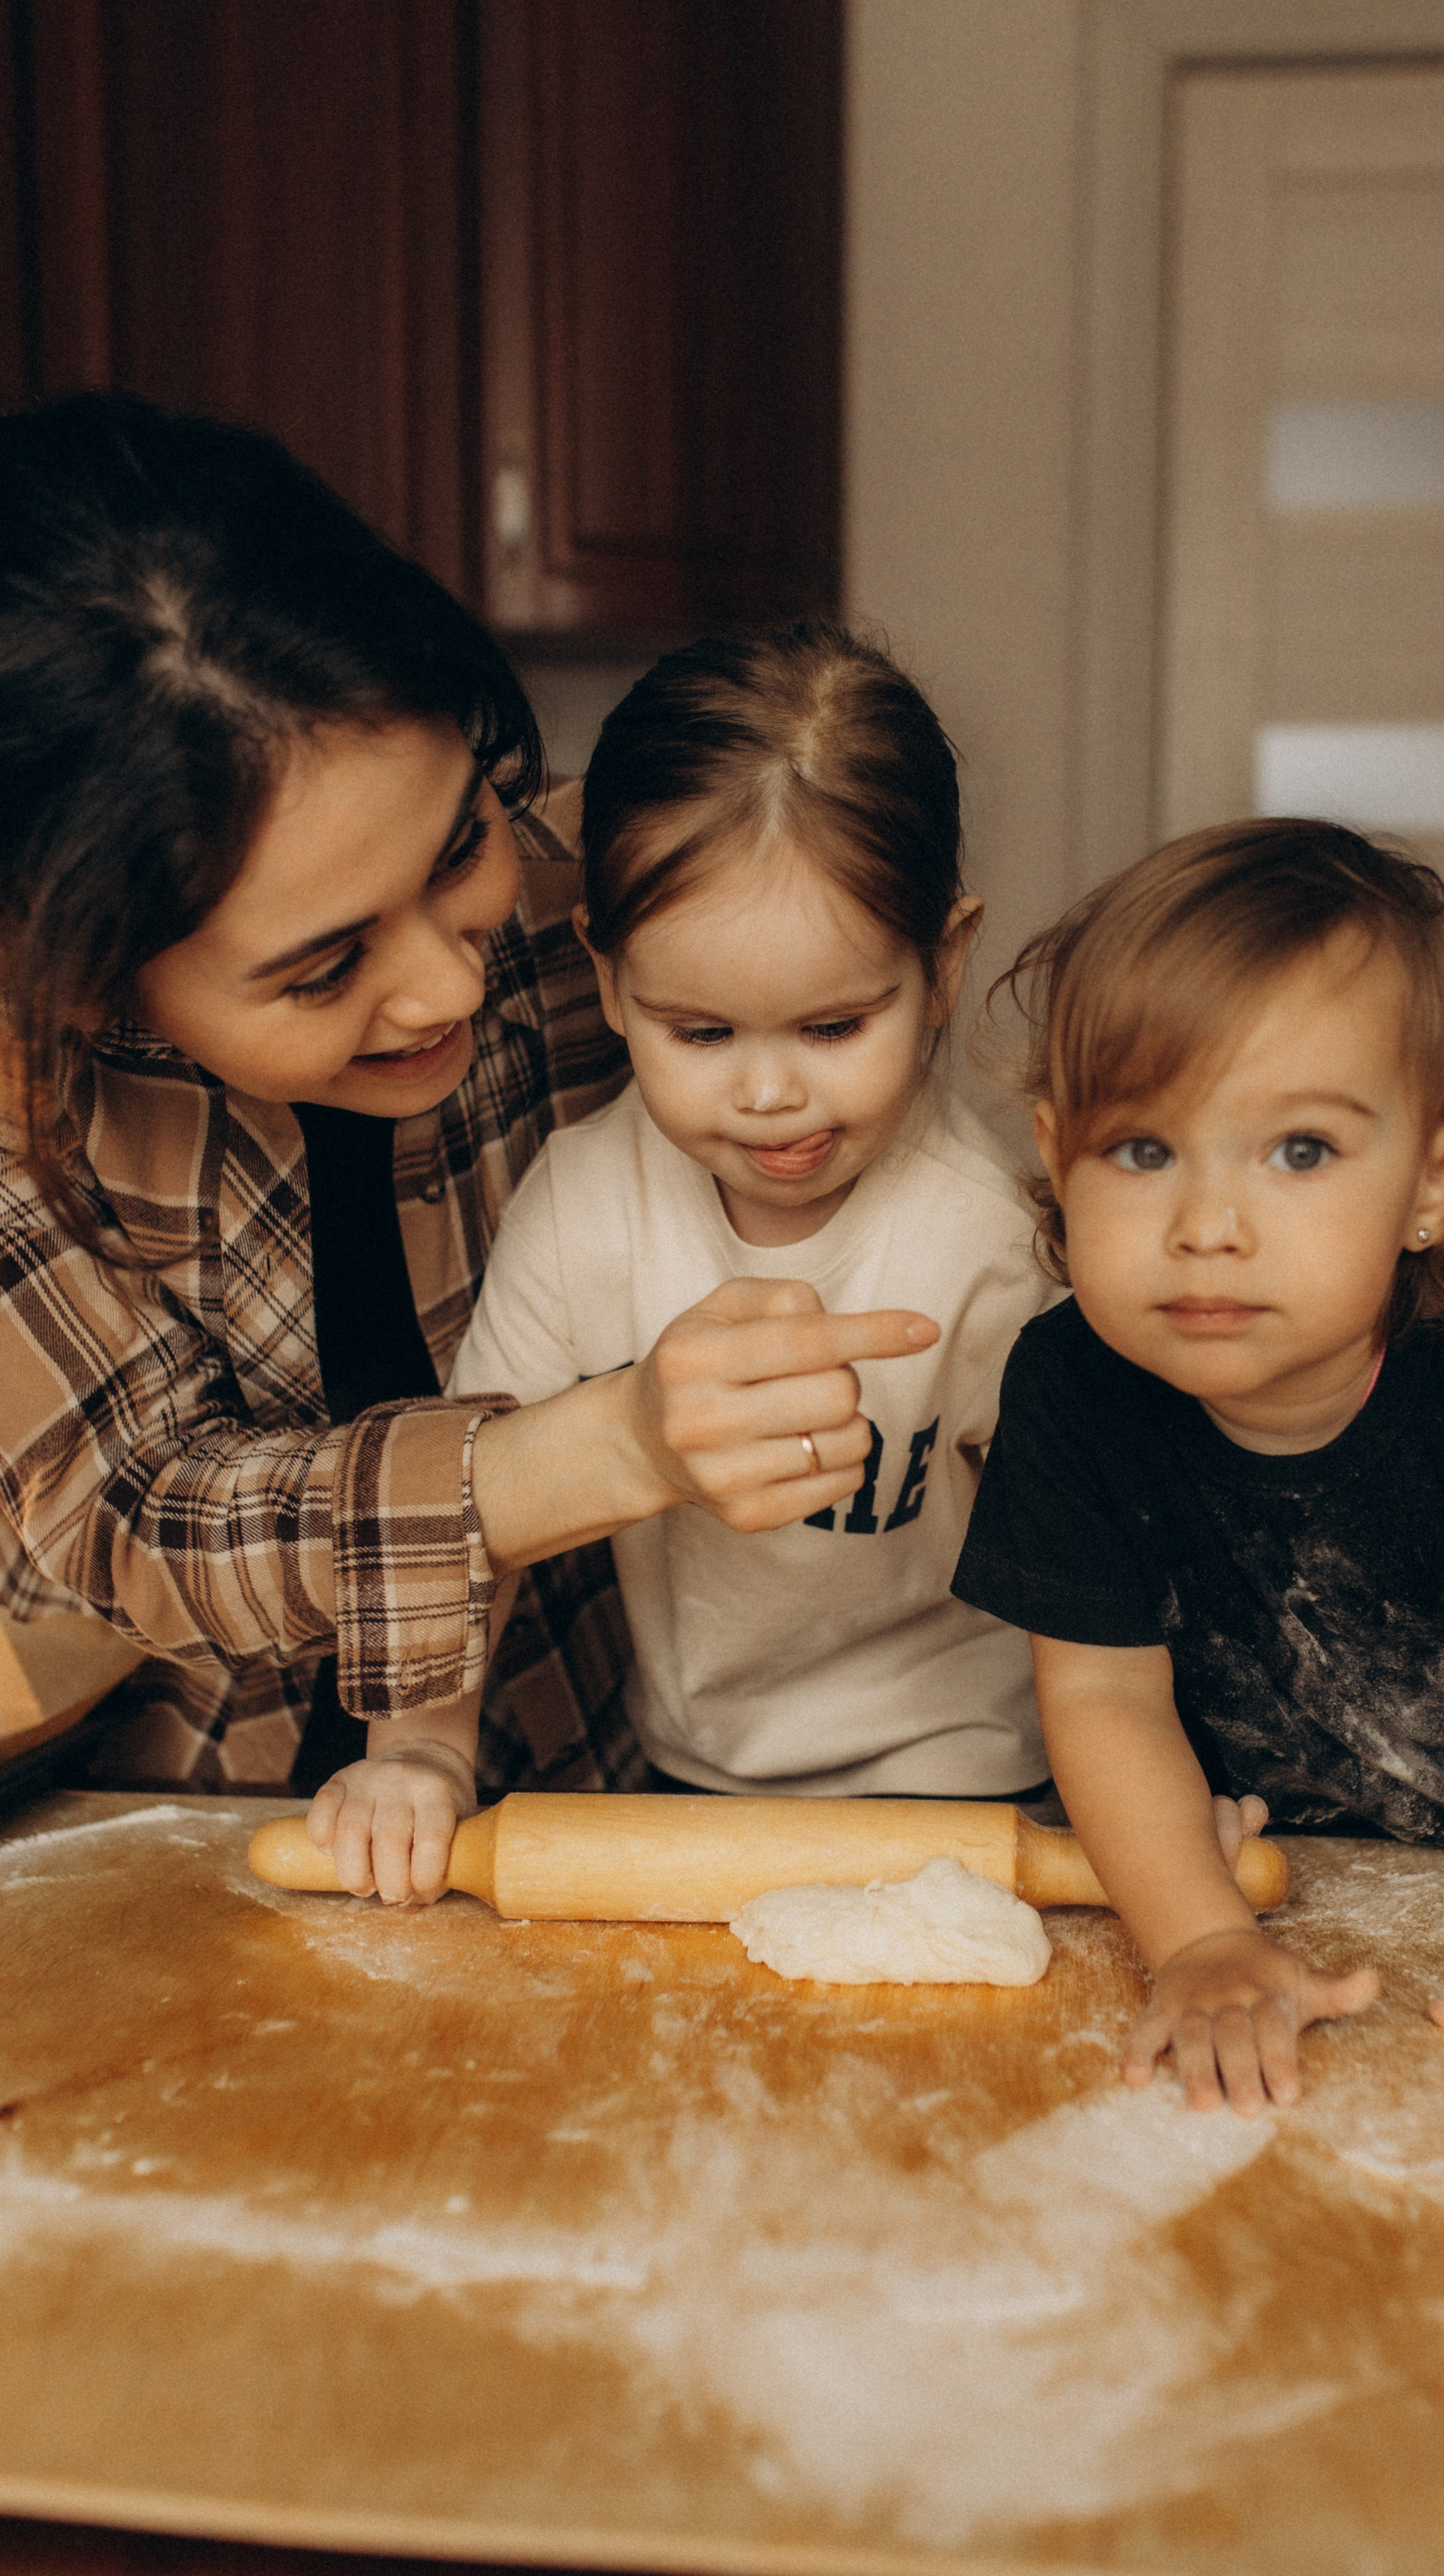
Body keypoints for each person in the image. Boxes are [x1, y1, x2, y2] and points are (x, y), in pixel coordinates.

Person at [0, 397, 930, 1799]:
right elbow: (136, 1512)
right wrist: (604, 1444)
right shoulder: (26, 1098)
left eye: (457, 847)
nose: (445, 986)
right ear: (82, 978)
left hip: (592, 1767)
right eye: (323, 969)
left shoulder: (623, 903)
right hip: (190, 1810)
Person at [951, 818, 1444, 2138]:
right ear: (1056, 1152)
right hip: (1266, 1896)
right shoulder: (1071, 1385)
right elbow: (1101, 1693)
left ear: (1435, 1176)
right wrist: (1199, 1938)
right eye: (1143, 1151)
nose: (1208, 1225)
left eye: (1301, 1151)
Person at [308, 622, 1079, 1897]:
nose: (772, 1092)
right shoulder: (580, 1206)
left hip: (977, 1788)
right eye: (702, 1029)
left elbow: (1099, 1550)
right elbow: (470, 1502)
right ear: (609, 982)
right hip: (696, 1779)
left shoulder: (991, 1237)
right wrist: (423, 1753)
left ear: (943, 964)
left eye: (836, 1024)